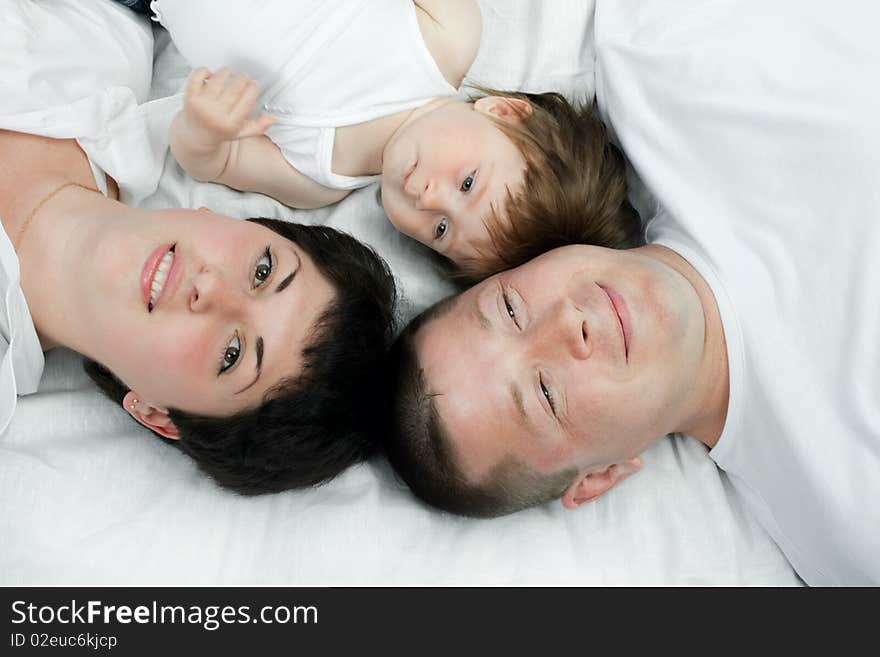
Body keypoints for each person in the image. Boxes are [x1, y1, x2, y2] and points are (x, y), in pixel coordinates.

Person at [382, 0, 880, 585]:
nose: (568, 326)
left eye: (512, 308)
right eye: (545, 394)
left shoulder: (656, 61)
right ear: (599, 477)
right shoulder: (850, 518)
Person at [1, 0, 398, 493]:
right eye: (262, 270)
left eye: (232, 354)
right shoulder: (108, 43)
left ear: (156, 414)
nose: (210, 288)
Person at [149, 0, 640, 279]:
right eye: (468, 183)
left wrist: (205, 129)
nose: (431, 199)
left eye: (442, 230)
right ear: (503, 112)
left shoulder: (318, 177)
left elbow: (212, 164)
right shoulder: (447, 37)